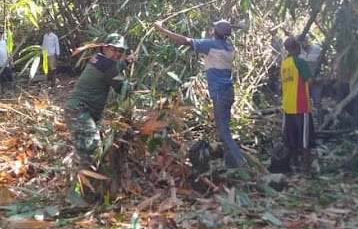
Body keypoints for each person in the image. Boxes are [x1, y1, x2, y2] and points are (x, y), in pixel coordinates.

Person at [153, 18, 248, 169]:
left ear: (215, 32)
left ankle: (240, 164)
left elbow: (185, 41)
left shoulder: (212, 45)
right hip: (228, 92)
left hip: (220, 93)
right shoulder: (228, 47)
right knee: (224, 128)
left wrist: (161, 29)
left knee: (223, 131)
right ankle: (232, 164)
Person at [64, 33, 137, 204]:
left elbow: (115, 67)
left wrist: (127, 61)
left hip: (82, 111)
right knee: (91, 148)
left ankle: (87, 192)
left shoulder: (99, 59)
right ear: (105, 48)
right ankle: (75, 195)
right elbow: (122, 88)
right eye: (114, 50)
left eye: (121, 51)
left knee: (91, 152)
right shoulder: (108, 66)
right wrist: (133, 84)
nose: (118, 54)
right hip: (80, 111)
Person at [280, 36, 316, 172]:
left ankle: (294, 163)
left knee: (292, 136)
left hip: (288, 105)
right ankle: (306, 164)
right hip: (301, 104)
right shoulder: (300, 63)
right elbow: (310, 81)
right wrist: (319, 82)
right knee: (305, 137)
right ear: (296, 48)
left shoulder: (284, 64)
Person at [297, 33, 324, 113]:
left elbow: (323, 62)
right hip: (303, 80)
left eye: (304, 40)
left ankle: (319, 118)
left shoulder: (317, 49)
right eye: (301, 41)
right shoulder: (298, 52)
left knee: (317, 101)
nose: (303, 43)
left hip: (316, 79)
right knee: (304, 102)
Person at [42, 23, 60, 88]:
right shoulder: (45, 36)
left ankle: (53, 81)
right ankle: (49, 80)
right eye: (45, 27)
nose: (46, 29)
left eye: (47, 27)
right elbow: (43, 44)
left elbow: (56, 45)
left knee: (53, 67)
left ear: (50, 28)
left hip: (52, 53)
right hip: (46, 53)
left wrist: (57, 53)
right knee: (47, 67)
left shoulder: (54, 36)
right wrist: (42, 52)